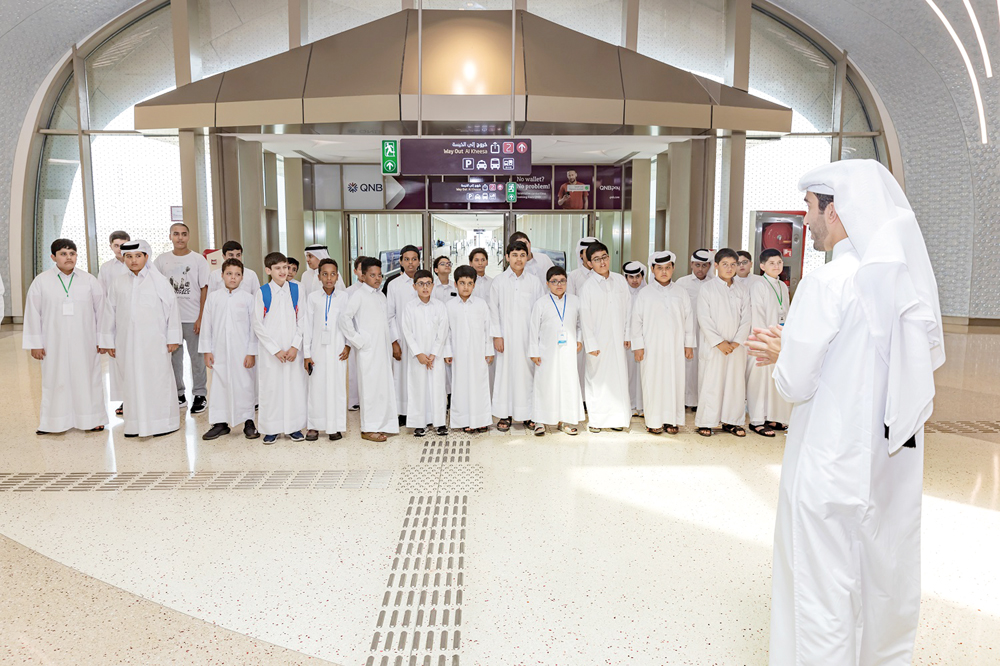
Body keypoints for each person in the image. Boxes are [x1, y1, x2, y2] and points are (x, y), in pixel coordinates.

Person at [752, 160, 944, 665]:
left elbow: (795, 382)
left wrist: (783, 351)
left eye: (812, 209)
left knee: (821, 595)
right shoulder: (899, 284)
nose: (806, 221)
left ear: (835, 211)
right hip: (883, 464)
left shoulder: (829, 282)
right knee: (876, 581)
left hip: (827, 464)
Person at [23, 239, 107, 435]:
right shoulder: (41, 281)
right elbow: (33, 313)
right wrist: (36, 343)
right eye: (63, 253)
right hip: (53, 342)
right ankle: (53, 422)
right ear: (53, 257)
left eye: (72, 253)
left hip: (85, 341)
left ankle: (92, 419)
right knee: (55, 379)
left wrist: (102, 339)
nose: (68, 257)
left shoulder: (89, 281)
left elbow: (101, 312)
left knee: (88, 378)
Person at [99, 240, 181, 438]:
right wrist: (108, 341)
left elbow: (172, 311)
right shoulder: (118, 282)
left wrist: (173, 338)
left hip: (155, 342)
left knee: (157, 380)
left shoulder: (159, 281)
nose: (133, 260)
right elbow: (109, 312)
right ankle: (134, 424)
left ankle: (163, 424)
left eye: (137, 256)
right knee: (131, 380)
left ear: (146, 257)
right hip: (127, 343)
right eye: (129, 256)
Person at [630, 251, 695, 435]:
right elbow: (637, 321)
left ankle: (671, 420)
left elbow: (688, 319)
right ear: (652, 270)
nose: (664, 272)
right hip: (651, 348)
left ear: (673, 268)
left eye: (667, 268)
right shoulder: (645, 293)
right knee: (652, 382)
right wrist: (638, 346)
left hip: (675, 348)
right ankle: (653, 421)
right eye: (659, 268)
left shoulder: (681, 292)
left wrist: (688, 345)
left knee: (674, 382)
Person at [339, 257, 399, 442]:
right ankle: (368, 428)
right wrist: (358, 340)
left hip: (382, 350)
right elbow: (344, 318)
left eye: (379, 275)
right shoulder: (359, 295)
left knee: (383, 388)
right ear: (363, 276)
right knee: (370, 390)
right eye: (372, 275)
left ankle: (383, 424)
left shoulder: (380, 295)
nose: (377, 278)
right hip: (368, 350)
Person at [198, 258, 259, 441]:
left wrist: (251, 352)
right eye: (229, 274)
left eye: (237, 274)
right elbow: (207, 325)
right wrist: (207, 350)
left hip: (242, 352)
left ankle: (248, 421)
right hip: (219, 351)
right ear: (222, 275)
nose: (233, 278)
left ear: (242, 277)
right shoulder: (214, 298)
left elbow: (253, 328)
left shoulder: (249, 299)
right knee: (219, 386)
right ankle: (220, 423)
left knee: (245, 385)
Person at [251, 252, 307, 444]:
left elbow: (303, 319)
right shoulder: (263, 292)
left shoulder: (297, 290)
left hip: (292, 351)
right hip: (271, 353)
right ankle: (271, 428)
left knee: (294, 387)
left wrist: (294, 346)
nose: (283, 271)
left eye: (285, 267)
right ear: (268, 270)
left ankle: (294, 427)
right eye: (277, 268)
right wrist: (275, 349)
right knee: (271, 389)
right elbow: (257, 324)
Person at [154, 222, 210, 413]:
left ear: (189, 236)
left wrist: (201, 317)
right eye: (176, 234)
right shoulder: (161, 261)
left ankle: (200, 394)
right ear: (170, 236)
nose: (180, 237)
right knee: (174, 360)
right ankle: (178, 393)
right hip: (170, 320)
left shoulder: (198, 260)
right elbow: (156, 290)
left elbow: (204, 289)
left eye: (184, 234)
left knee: (197, 358)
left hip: (192, 317)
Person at [490, 239, 545, 432]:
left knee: (527, 375)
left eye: (522, 255)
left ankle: (528, 415)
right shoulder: (499, 281)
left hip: (527, 338)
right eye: (514, 255)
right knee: (504, 375)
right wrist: (497, 335)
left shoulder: (534, 281)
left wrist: (537, 338)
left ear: (527, 257)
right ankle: (504, 415)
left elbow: (540, 311)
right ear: (507, 257)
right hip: (504, 337)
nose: (518, 259)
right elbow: (493, 310)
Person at [695, 248, 751, 437]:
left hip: (736, 347)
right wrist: (719, 342)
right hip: (714, 347)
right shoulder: (707, 289)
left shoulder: (742, 289)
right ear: (716, 266)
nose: (729, 268)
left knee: (735, 384)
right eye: (725, 264)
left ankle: (732, 421)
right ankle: (706, 421)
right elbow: (704, 318)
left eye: (733, 264)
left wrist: (736, 342)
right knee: (712, 382)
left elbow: (747, 319)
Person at [579, 241, 632, 432]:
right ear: (589, 263)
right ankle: (597, 420)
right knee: (597, 380)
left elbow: (629, 309)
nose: (602, 262)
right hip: (598, 342)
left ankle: (617, 419)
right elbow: (585, 318)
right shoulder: (588, 287)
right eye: (596, 259)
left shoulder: (619, 281)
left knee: (618, 379)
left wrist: (627, 334)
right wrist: (591, 343)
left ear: (609, 258)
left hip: (618, 340)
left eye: (604, 257)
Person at [529, 266, 584, 436]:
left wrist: (579, 339)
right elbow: (533, 328)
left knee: (566, 384)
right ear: (547, 283)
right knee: (545, 385)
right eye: (554, 281)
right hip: (546, 352)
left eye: (562, 281)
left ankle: (564, 421)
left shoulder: (575, 300)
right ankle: (540, 420)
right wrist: (534, 351)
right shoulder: (541, 303)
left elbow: (581, 324)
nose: (559, 284)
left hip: (568, 351)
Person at [303, 258, 350, 442]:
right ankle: (314, 426)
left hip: (338, 349)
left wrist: (347, 345)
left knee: (336, 387)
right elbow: (307, 326)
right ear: (319, 276)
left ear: (337, 276)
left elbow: (349, 324)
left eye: (332, 274)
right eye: (325, 274)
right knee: (316, 387)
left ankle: (334, 426)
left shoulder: (344, 297)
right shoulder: (313, 298)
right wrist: (306, 354)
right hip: (317, 350)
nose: (329, 278)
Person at [745, 248, 791, 437]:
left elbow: (785, 312)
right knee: (759, 382)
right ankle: (756, 421)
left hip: (777, 340)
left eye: (779, 262)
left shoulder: (782, 286)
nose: (776, 266)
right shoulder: (759, 285)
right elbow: (758, 315)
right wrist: (766, 339)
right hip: (761, 340)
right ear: (762, 266)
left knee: (772, 382)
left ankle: (770, 417)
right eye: (771, 263)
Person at [444, 266, 493, 433]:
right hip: (458, 354)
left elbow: (488, 329)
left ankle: (481, 420)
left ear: (474, 285)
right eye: (462, 283)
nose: (466, 287)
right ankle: (464, 420)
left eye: (469, 283)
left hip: (478, 352)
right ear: (456, 284)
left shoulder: (481, 304)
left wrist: (489, 351)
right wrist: (448, 352)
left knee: (479, 384)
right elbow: (447, 331)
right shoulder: (450, 306)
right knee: (461, 385)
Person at [401, 269, 449, 437]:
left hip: (436, 356)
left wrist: (433, 354)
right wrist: (419, 354)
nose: (425, 287)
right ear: (414, 286)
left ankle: (439, 423)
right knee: (418, 387)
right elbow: (407, 332)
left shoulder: (440, 306)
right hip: (418, 357)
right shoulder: (409, 307)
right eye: (421, 284)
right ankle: (419, 423)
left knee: (437, 387)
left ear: (433, 285)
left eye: (428, 283)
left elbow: (442, 332)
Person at [386, 244, 421, 426]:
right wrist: (394, 342)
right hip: (402, 339)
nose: (410, 263)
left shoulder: (427, 281)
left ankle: (421, 410)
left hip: (423, 339)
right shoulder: (394, 285)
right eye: (406, 259)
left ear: (419, 261)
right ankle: (403, 412)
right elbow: (390, 315)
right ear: (400, 261)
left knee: (420, 375)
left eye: (414, 259)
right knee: (401, 376)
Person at [98, 230, 131, 417]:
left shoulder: (136, 263)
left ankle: (135, 397)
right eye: (116, 245)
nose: (120, 249)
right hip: (115, 321)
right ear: (111, 246)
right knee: (117, 362)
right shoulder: (106, 268)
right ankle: (125, 399)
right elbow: (101, 296)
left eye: (123, 245)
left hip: (134, 320)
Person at [675, 249, 712, 411]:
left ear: (710, 266)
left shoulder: (713, 284)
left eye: (704, 266)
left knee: (704, 365)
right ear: (691, 264)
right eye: (697, 265)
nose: (700, 269)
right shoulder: (681, 283)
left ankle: (700, 400)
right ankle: (684, 399)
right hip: (687, 330)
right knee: (687, 366)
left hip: (707, 331)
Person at [623, 260, 646, 417]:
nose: (634, 280)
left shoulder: (648, 293)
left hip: (645, 339)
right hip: (627, 340)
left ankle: (643, 405)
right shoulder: (622, 294)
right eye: (630, 277)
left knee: (643, 372)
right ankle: (630, 404)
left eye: (637, 276)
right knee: (629, 373)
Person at [345, 255, 367, 412]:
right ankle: (354, 400)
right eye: (361, 269)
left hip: (370, 337)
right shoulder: (349, 292)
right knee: (354, 369)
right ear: (355, 271)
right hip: (353, 337)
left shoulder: (377, 291)